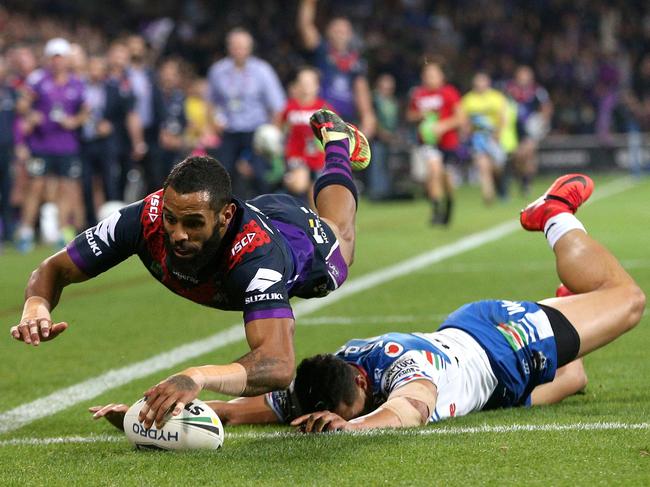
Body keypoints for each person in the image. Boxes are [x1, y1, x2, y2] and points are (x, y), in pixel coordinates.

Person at [91, 174, 643, 431]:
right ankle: (567, 308)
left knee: (626, 299)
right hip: (486, 363)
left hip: (502, 342)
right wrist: (145, 417)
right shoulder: (323, 380)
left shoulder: (401, 374)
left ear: (360, 384)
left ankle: (555, 214)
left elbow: (411, 409)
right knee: (574, 379)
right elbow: (235, 413)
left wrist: (352, 429)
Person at [11, 108, 371, 432]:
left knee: (342, 238)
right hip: (247, 214)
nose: (178, 234)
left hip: (297, 243)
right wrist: (36, 306)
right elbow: (53, 268)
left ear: (225, 216)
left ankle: (336, 142)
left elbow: (277, 363)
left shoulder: (257, 256)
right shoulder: (142, 219)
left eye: (193, 223)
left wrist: (196, 377)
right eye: (171, 218)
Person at [15, 38, 88, 252]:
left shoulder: (76, 82)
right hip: (41, 144)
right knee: (35, 187)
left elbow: (85, 110)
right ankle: (26, 232)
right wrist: (31, 114)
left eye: (61, 57)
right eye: (54, 58)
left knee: (67, 188)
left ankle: (61, 231)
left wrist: (74, 121)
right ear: (49, 59)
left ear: (66, 60)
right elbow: (22, 105)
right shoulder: (38, 79)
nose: (57, 62)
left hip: (67, 145)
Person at [207, 28, 286, 197]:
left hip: (256, 130)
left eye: (242, 46)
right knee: (222, 174)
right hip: (229, 130)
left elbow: (278, 105)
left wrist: (273, 132)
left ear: (250, 48)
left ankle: (264, 212)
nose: (238, 50)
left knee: (260, 175)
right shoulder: (218, 71)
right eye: (235, 46)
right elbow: (211, 101)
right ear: (228, 47)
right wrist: (214, 121)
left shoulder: (262, 70)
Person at [297, 0, 376, 139]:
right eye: (336, 30)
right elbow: (305, 26)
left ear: (350, 34)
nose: (340, 34)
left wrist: (361, 137)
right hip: (318, 121)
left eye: (344, 31)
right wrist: (308, 3)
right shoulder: (321, 51)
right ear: (328, 32)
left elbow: (365, 104)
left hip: (343, 124)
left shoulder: (356, 63)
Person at [407, 61, 463, 225]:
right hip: (429, 142)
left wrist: (443, 126)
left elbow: (460, 117)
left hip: (448, 142)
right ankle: (436, 210)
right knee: (433, 170)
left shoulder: (449, 92)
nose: (430, 78)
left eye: (434, 74)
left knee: (446, 179)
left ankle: (449, 203)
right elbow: (410, 115)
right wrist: (419, 116)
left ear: (441, 76)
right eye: (427, 74)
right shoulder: (418, 94)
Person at [276, 66, 329, 201]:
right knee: (299, 185)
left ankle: (316, 219)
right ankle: (285, 183)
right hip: (296, 156)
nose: (306, 87)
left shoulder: (323, 108)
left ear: (317, 86)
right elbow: (278, 128)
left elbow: (333, 131)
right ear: (296, 86)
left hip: (318, 158)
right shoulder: (290, 107)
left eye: (310, 83)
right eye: (303, 83)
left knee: (316, 192)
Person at [504, 66, 552, 195]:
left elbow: (546, 107)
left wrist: (542, 122)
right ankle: (522, 178)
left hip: (531, 129)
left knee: (528, 152)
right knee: (518, 156)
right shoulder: (510, 89)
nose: (523, 78)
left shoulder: (537, 90)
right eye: (521, 75)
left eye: (526, 75)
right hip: (513, 130)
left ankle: (527, 183)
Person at [461, 72, 508, 204]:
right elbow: (464, 120)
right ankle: (488, 195)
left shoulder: (497, 97)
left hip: (494, 138)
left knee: (497, 166)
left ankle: (499, 186)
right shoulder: (468, 99)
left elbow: (502, 117)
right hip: (477, 139)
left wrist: (498, 133)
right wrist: (466, 132)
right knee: (482, 166)